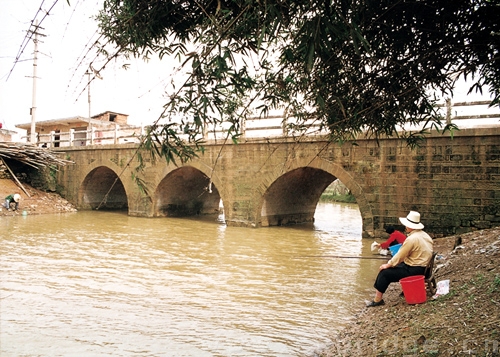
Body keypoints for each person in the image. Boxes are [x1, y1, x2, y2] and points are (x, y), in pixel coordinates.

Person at [366, 211, 433, 307]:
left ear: (410, 226)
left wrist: (388, 264)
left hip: (416, 270)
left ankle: (378, 299)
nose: (405, 227)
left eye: (406, 225)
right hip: (425, 269)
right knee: (398, 266)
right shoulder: (425, 236)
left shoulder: (412, 239)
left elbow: (400, 255)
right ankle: (405, 290)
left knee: (384, 273)